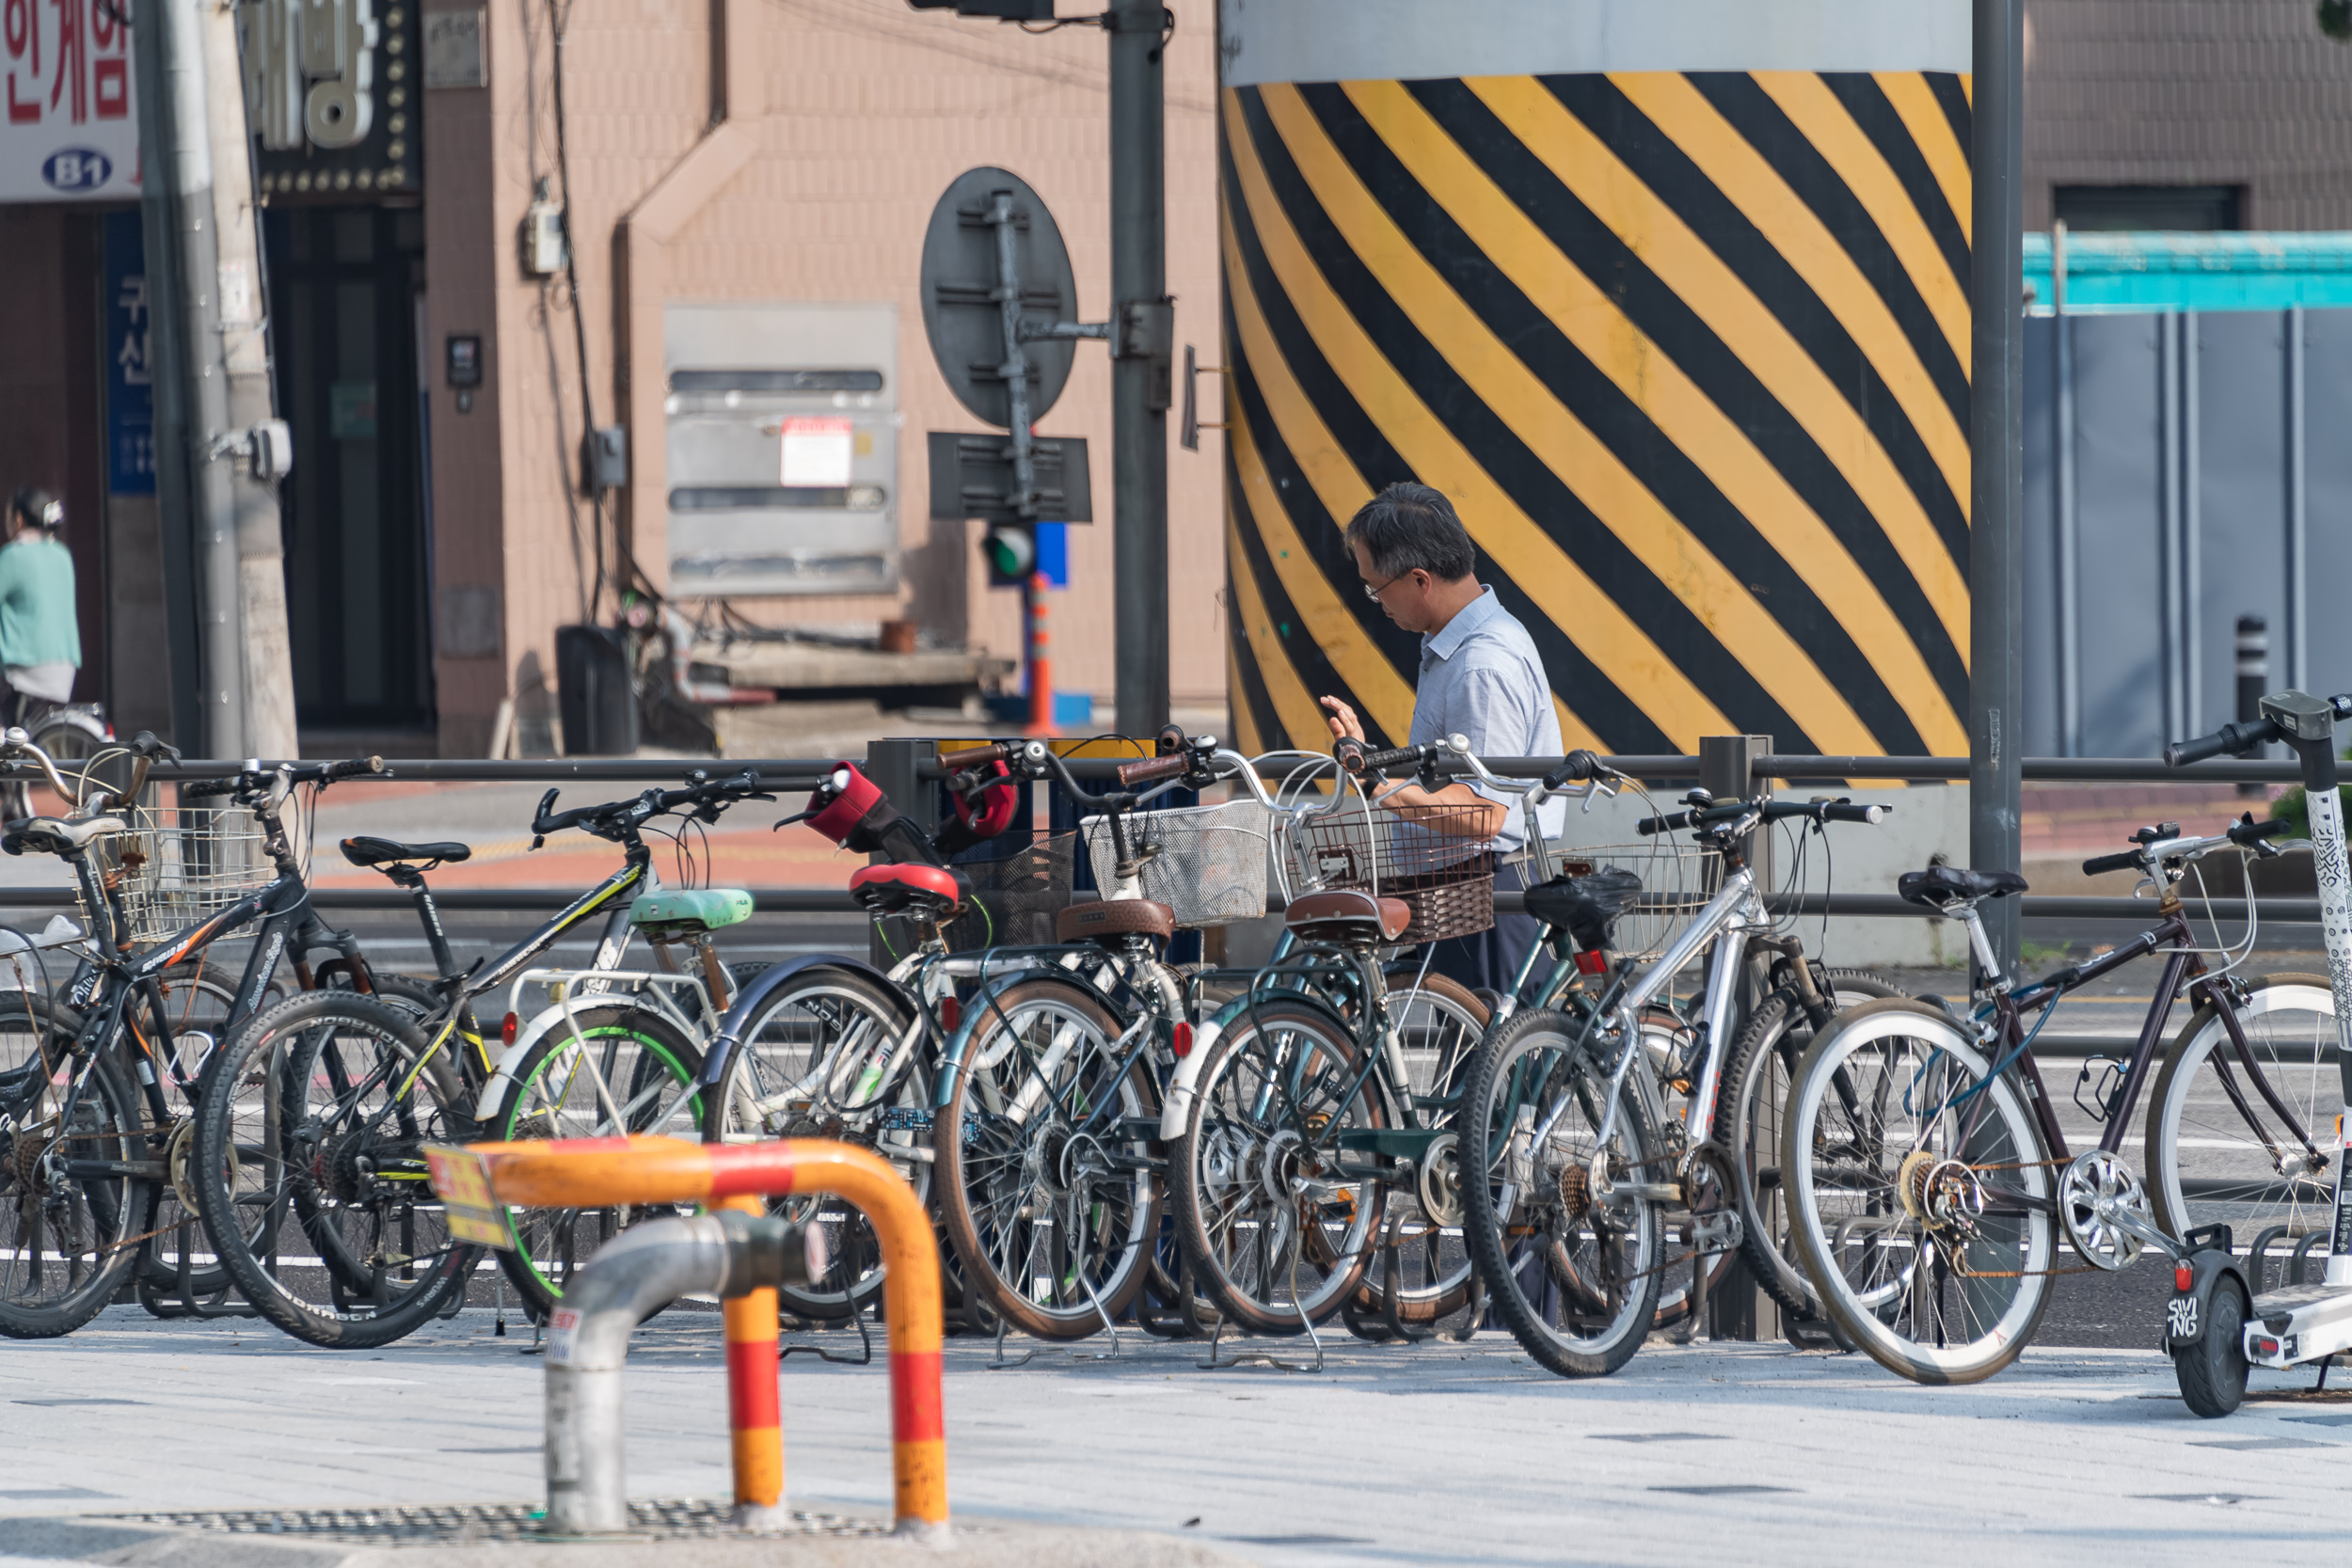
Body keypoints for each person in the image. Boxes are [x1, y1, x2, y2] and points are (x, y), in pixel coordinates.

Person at [1320, 482, 1564, 997]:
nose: (1375, 602)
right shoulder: (1460, 644)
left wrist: (1378, 784)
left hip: (1488, 893)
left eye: (1376, 587)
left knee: (1495, 1067)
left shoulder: (1481, 665)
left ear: (1419, 579)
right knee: (1479, 1061)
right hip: (1469, 888)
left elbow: (1485, 811)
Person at [0, 487, 83, 732]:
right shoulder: (62, 555)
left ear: (18, 519)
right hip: (63, 668)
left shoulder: (14, 555)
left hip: (25, 669)